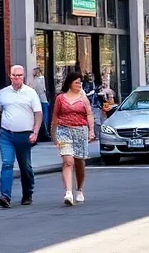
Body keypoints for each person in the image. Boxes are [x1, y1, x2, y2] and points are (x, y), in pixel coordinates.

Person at [0, 64, 42, 209]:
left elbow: (38, 113)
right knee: (7, 163)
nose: (17, 78)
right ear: (10, 76)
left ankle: (27, 193)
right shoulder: (3, 93)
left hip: (25, 136)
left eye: (20, 75)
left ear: (23, 76)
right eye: (14, 75)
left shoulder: (31, 93)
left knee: (25, 166)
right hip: (6, 134)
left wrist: (36, 132)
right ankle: (5, 196)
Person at [52, 70, 95, 206]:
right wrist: (54, 135)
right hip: (64, 130)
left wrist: (91, 131)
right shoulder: (61, 98)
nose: (79, 85)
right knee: (68, 161)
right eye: (76, 82)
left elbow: (89, 114)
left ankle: (80, 189)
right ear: (70, 83)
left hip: (80, 131)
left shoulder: (83, 98)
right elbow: (55, 117)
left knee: (79, 162)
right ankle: (68, 193)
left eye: (80, 82)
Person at [32, 67, 51, 135]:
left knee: (39, 115)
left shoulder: (34, 80)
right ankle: (45, 131)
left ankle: (42, 130)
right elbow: (44, 89)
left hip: (37, 100)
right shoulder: (41, 79)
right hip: (43, 99)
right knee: (45, 115)